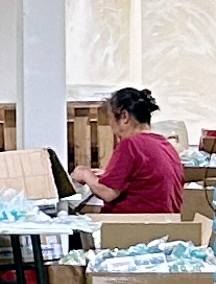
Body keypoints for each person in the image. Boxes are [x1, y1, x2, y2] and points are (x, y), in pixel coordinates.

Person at [76, 88, 187, 216]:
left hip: (136, 224)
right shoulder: (166, 145)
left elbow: (107, 192)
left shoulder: (131, 144)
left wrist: (84, 174)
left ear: (124, 116)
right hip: (165, 222)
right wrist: (108, 175)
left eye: (110, 119)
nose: (112, 128)